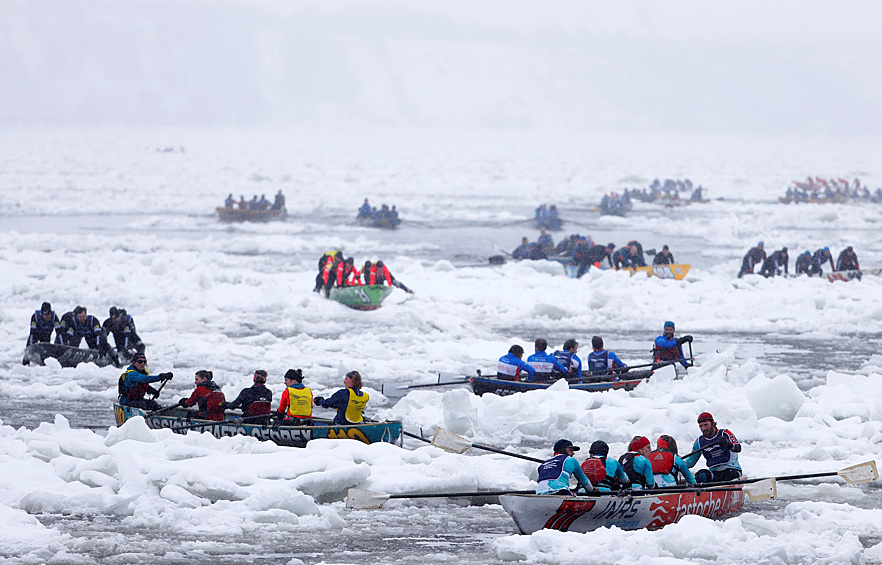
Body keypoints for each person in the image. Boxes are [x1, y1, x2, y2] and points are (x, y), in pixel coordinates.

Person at [684, 412, 742, 483]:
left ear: (713, 423)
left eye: (706, 425)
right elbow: (690, 463)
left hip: (732, 471)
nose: (703, 428)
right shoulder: (699, 442)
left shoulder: (725, 433)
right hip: (715, 474)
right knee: (701, 475)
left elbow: (738, 448)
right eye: (701, 426)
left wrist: (728, 445)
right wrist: (676, 461)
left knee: (726, 476)